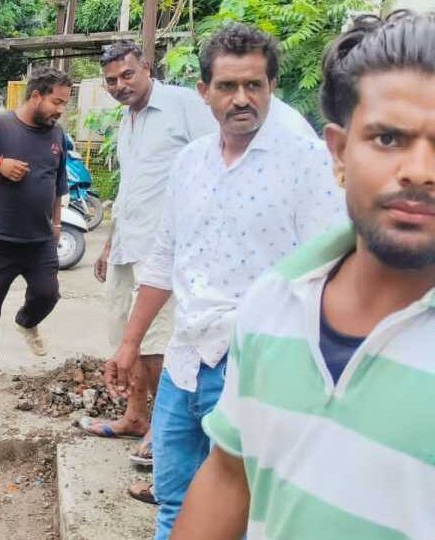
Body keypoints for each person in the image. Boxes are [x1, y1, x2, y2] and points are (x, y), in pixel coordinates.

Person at [172, 11, 435, 539]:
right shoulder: (272, 306)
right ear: (339, 153)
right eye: (388, 139)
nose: (420, 170)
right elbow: (229, 480)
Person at [103, 24, 347, 539]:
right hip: (184, 364)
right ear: (204, 92)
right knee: (172, 502)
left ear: (271, 86)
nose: (242, 99)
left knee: (244, 515)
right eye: (228, 86)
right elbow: (165, 258)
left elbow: (329, 275)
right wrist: (129, 344)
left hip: (254, 367)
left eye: (254, 85)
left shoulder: (305, 162)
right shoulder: (190, 163)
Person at [81, 40, 215, 468]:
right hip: (128, 242)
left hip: (165, 249)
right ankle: (135, 417)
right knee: (124, 336)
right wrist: (108, 242)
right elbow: (132, 187)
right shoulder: (128, 120)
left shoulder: (183, 105)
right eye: (111, 81)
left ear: (147, 68)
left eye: (127, 75)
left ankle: (165, 428)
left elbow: (215, 164)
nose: (120, 85)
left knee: (158, 343)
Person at [0, 66, 73, 391]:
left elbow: (58, 180)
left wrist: (57, 222)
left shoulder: (56, 134)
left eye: (64, 104)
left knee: (48, 293)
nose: (60, 110)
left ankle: (27, 321)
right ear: (36, 96)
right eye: (57, 102)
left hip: (39, 239)